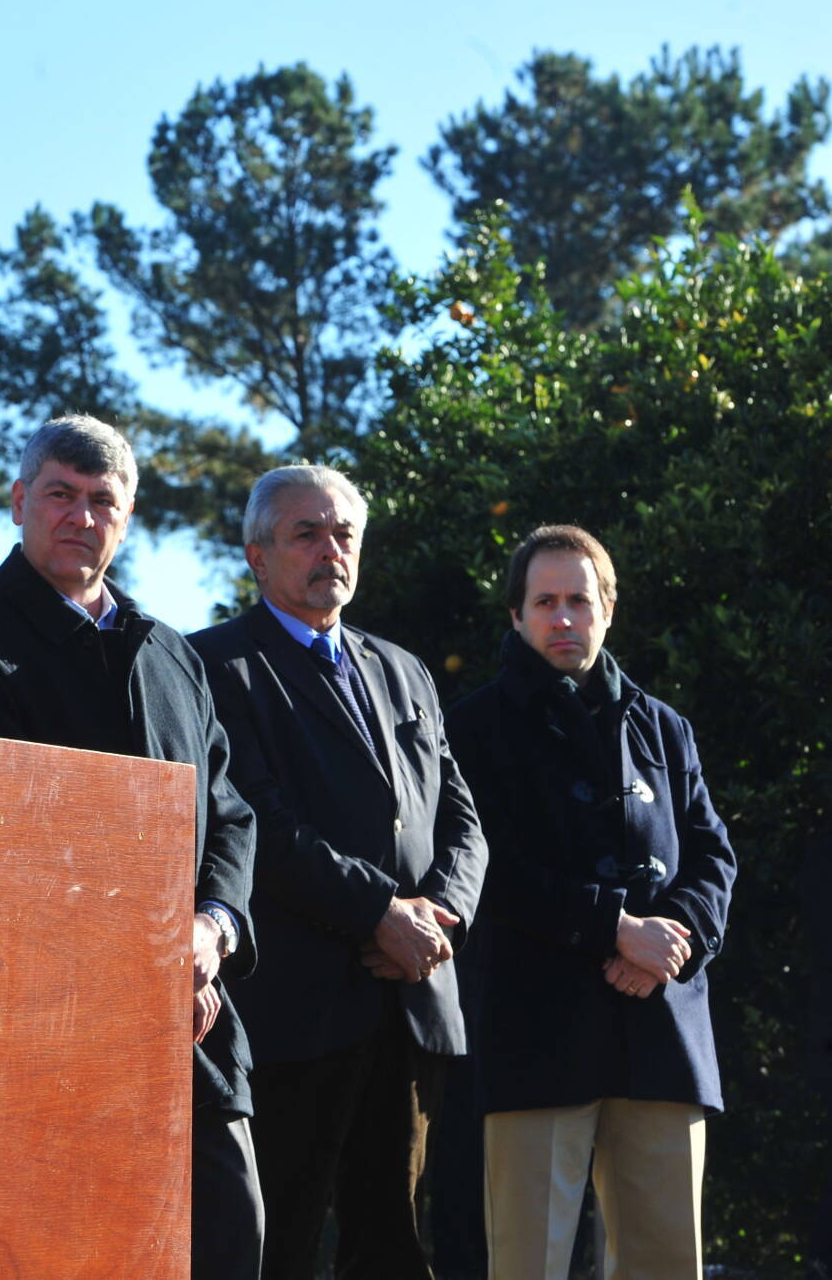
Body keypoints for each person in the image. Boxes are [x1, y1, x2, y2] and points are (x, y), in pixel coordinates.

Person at [0, 416, 264, 1279]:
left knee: (232, 1231)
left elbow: (226, 812)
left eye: (103, 501)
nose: (81, 517)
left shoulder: (171, 652)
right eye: (61, 496)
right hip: (41, 1030)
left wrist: (211, 928)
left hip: (190, 1019)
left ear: (128, 516)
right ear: (18, 502)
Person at [185, 464, 488, 1280]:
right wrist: (379, 912)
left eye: (343, 532)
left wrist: (435, 920)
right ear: (257, 554)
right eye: (305, 533)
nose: (330, 549)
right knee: (276, 1243)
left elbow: (462, 823)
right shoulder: (215, 666)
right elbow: (258, 824)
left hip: (413, 1000)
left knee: (393, 1247)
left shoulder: (405, 668)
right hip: (299, 1009)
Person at [446, 525, 735, 1279]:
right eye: (545, 601)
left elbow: (712, 855)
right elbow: (488, 869)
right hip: (536, 1035)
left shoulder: (666, 727)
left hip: (662, 1030)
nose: (563, 617)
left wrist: (670, 939)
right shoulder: (472, 727)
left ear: (608, 607)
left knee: (668, 1264)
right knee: (529, 1264)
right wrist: (615, 928)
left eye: (580, 598)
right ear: (516, 616)